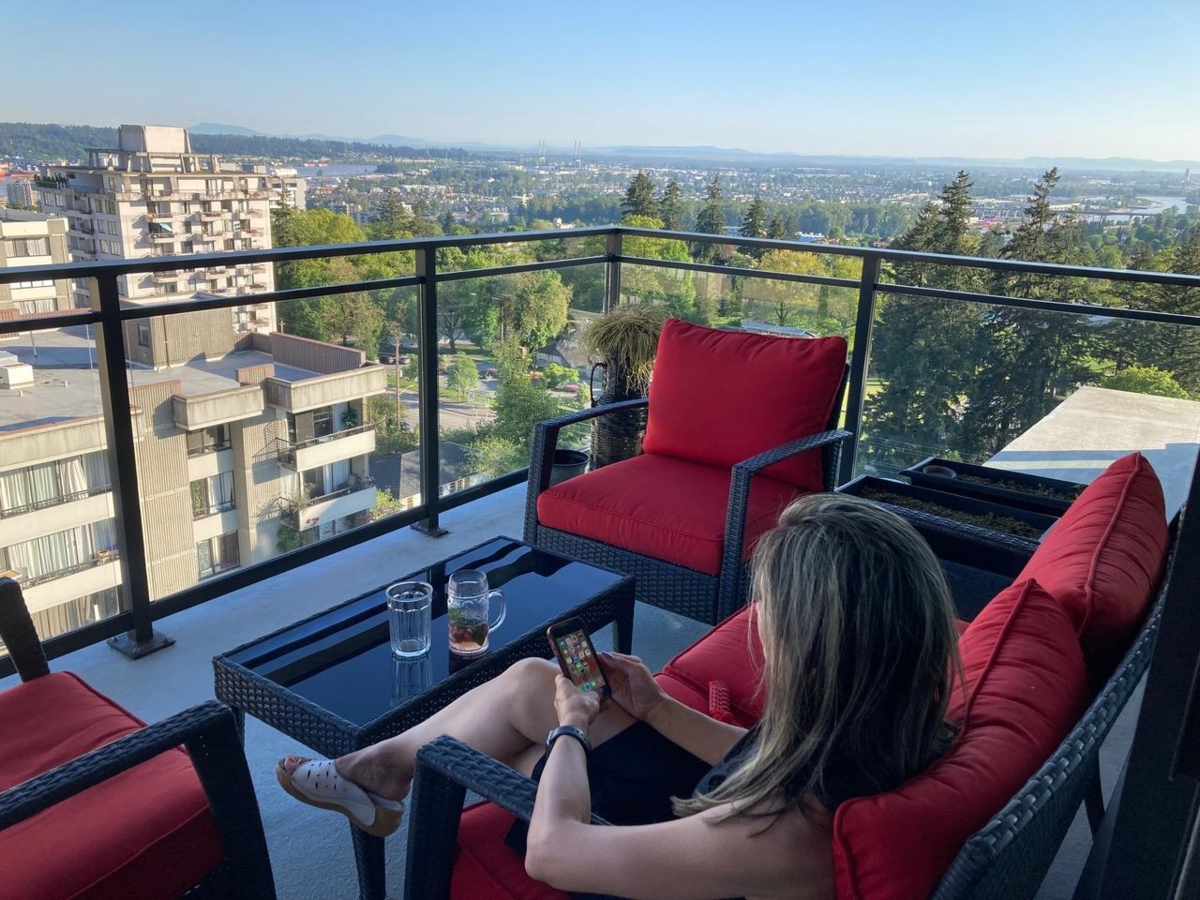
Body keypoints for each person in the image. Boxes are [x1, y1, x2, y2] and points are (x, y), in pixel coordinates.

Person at [277, 494, 962, 900]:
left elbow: (554, 853)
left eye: (769, 617)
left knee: (523, 745)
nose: (761, 631)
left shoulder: (783, 833)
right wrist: (657, 706)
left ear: (814, 648)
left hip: (688, 862)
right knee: (528, 681)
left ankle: (384, 773)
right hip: (719, 802)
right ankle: (383, 767)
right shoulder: (886, 721)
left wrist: (571, 730)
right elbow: (769, 759)